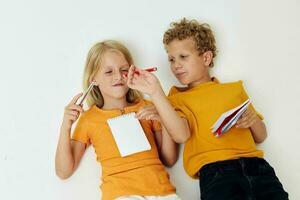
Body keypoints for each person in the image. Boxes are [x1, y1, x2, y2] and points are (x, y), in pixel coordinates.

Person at [126, 18, 289, 200]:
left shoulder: (234, 89)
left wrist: (253, 119)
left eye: (183, 57)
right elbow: (180, 137)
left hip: (259, 168)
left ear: (206, 58)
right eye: (171, 59)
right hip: (216, 174)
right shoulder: (173, 99)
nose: (175, 65)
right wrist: (157, 97)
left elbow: (260, 136)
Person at [55, 40, 180, 200]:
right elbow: (63, 172)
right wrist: (65, 127)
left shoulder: (148, 107)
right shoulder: (89, 119)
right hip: (121, 195)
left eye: (124, 70)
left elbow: (169, 159)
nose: (118, 76)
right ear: (94, 79)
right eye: (109, 72)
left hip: (163, 193)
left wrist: (163, 119)